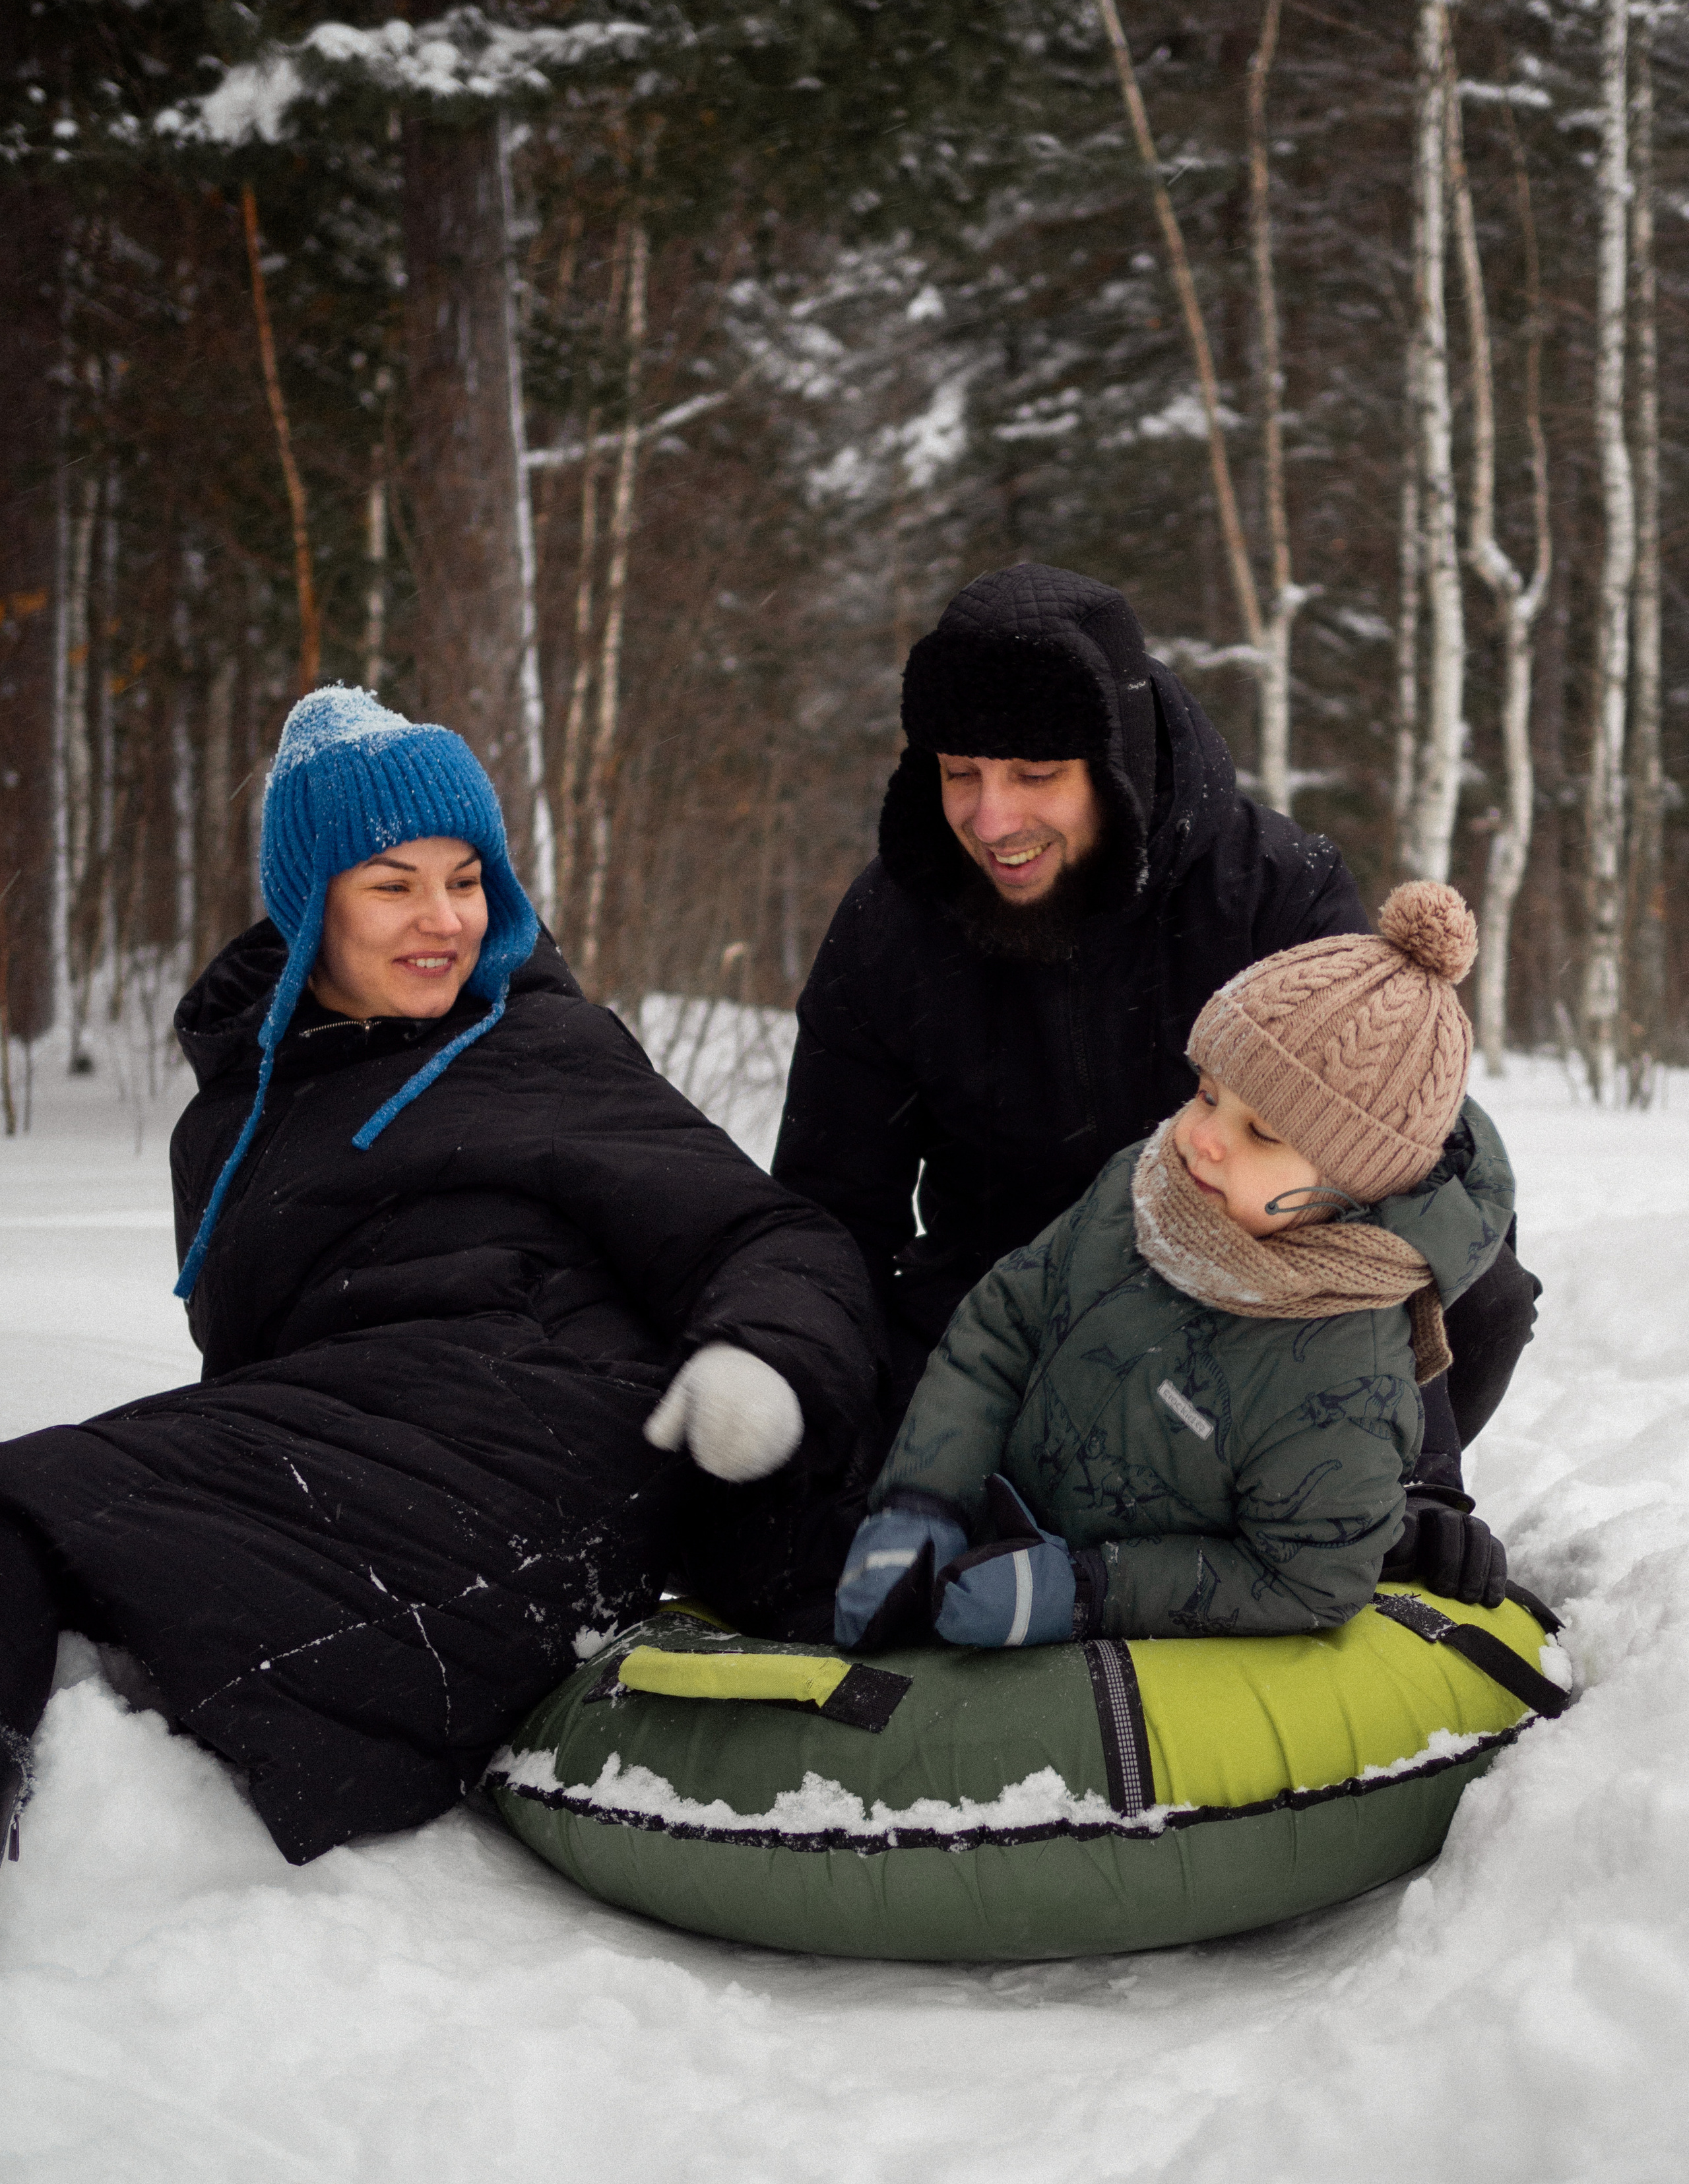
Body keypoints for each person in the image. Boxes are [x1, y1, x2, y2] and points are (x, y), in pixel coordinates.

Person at [0, 687, 880, 1865]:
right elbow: (248, 1371)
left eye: (466, 879)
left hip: (544, 1455)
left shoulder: (542, 1049)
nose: (445, 919)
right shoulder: (232, 1123)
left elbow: (769, 1235)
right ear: (311, 903)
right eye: (394, 884)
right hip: (357, 1440)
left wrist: (765, 1357)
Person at [774, 561, 1536, 1595]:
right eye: (960, 773)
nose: (990, 819)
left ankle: (1338, 1502)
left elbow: (1390, 1178)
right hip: (1001, 1325)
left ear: (1117, 763)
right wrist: (822, 1452)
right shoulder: (888, 927)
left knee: (1482, 1296)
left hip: (1251, 1325)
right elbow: (830, 1215)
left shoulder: (1274, 892)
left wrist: (1427, 1482)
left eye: (1034, 774)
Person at [835, 882, 1510, 1656]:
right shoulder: (1143, 1188)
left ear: (1354, 1182)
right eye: (1207, 1094)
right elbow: (1003, 1325)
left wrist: (1086, 1589)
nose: (1202, 1137)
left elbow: (1307, 1577)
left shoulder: (1342, 1371)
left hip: (1111, 1635)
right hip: (991, 1543)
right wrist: (924, 1499)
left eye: (1261, 1133)